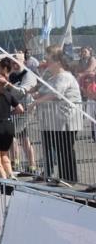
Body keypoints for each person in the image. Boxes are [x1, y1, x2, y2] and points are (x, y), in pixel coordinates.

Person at [34, 51, 83, 184]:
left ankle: (69, 178)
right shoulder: (52, 78)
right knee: (60, 148)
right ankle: (62, 177)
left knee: (65, 149)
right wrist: (37, 95)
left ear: (58, 62)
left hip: (67, 119)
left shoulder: (64, 77)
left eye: (49, 60)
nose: (46, 62)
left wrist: (36, 102)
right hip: (55, 120)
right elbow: (43, 91)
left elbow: (56, 94)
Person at [0, 57, 38, 175]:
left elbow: (21, 92)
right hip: (17, 110)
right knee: (23, 139)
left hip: (25, 110)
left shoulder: (28, 75)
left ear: (23, 61)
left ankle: (19, 163)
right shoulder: (13, 75)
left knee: (13, 135)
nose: (15, 64)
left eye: (17, 62)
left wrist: (7, 85)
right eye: (13, 62)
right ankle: (26, 165)